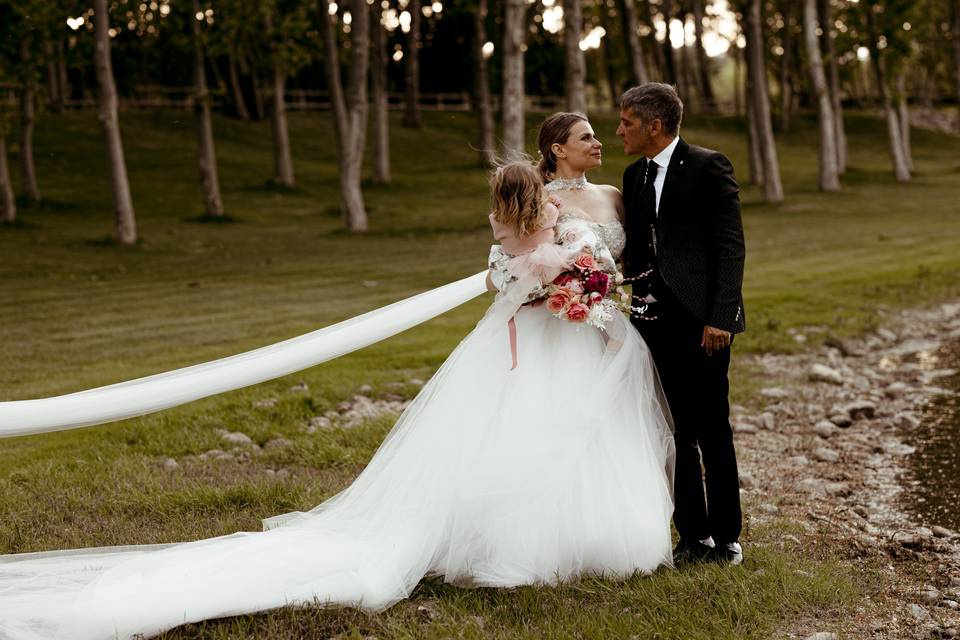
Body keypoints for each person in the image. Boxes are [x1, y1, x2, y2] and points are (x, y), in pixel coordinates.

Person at [0, 150, 675, 640]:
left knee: (540, 443)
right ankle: (516, 552)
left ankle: (528, 547)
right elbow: (541, 281)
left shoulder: (538, 231)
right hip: (536, 353)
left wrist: (572, 292)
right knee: (536, 441)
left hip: (548, 349)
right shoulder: (527, 240)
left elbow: (574, 272)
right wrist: (563, 290)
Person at [616, 82, 747, 566]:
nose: (619, 130)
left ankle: (727, 537)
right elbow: (638, 247)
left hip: (702, 322)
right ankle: (692, 536)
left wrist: (721, 317)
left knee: (712, 427)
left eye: (626, 122)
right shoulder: (633, 175)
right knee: (673, 429)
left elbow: (730, 247)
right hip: (650, 321)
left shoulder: (710, 166)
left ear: (655, 125)